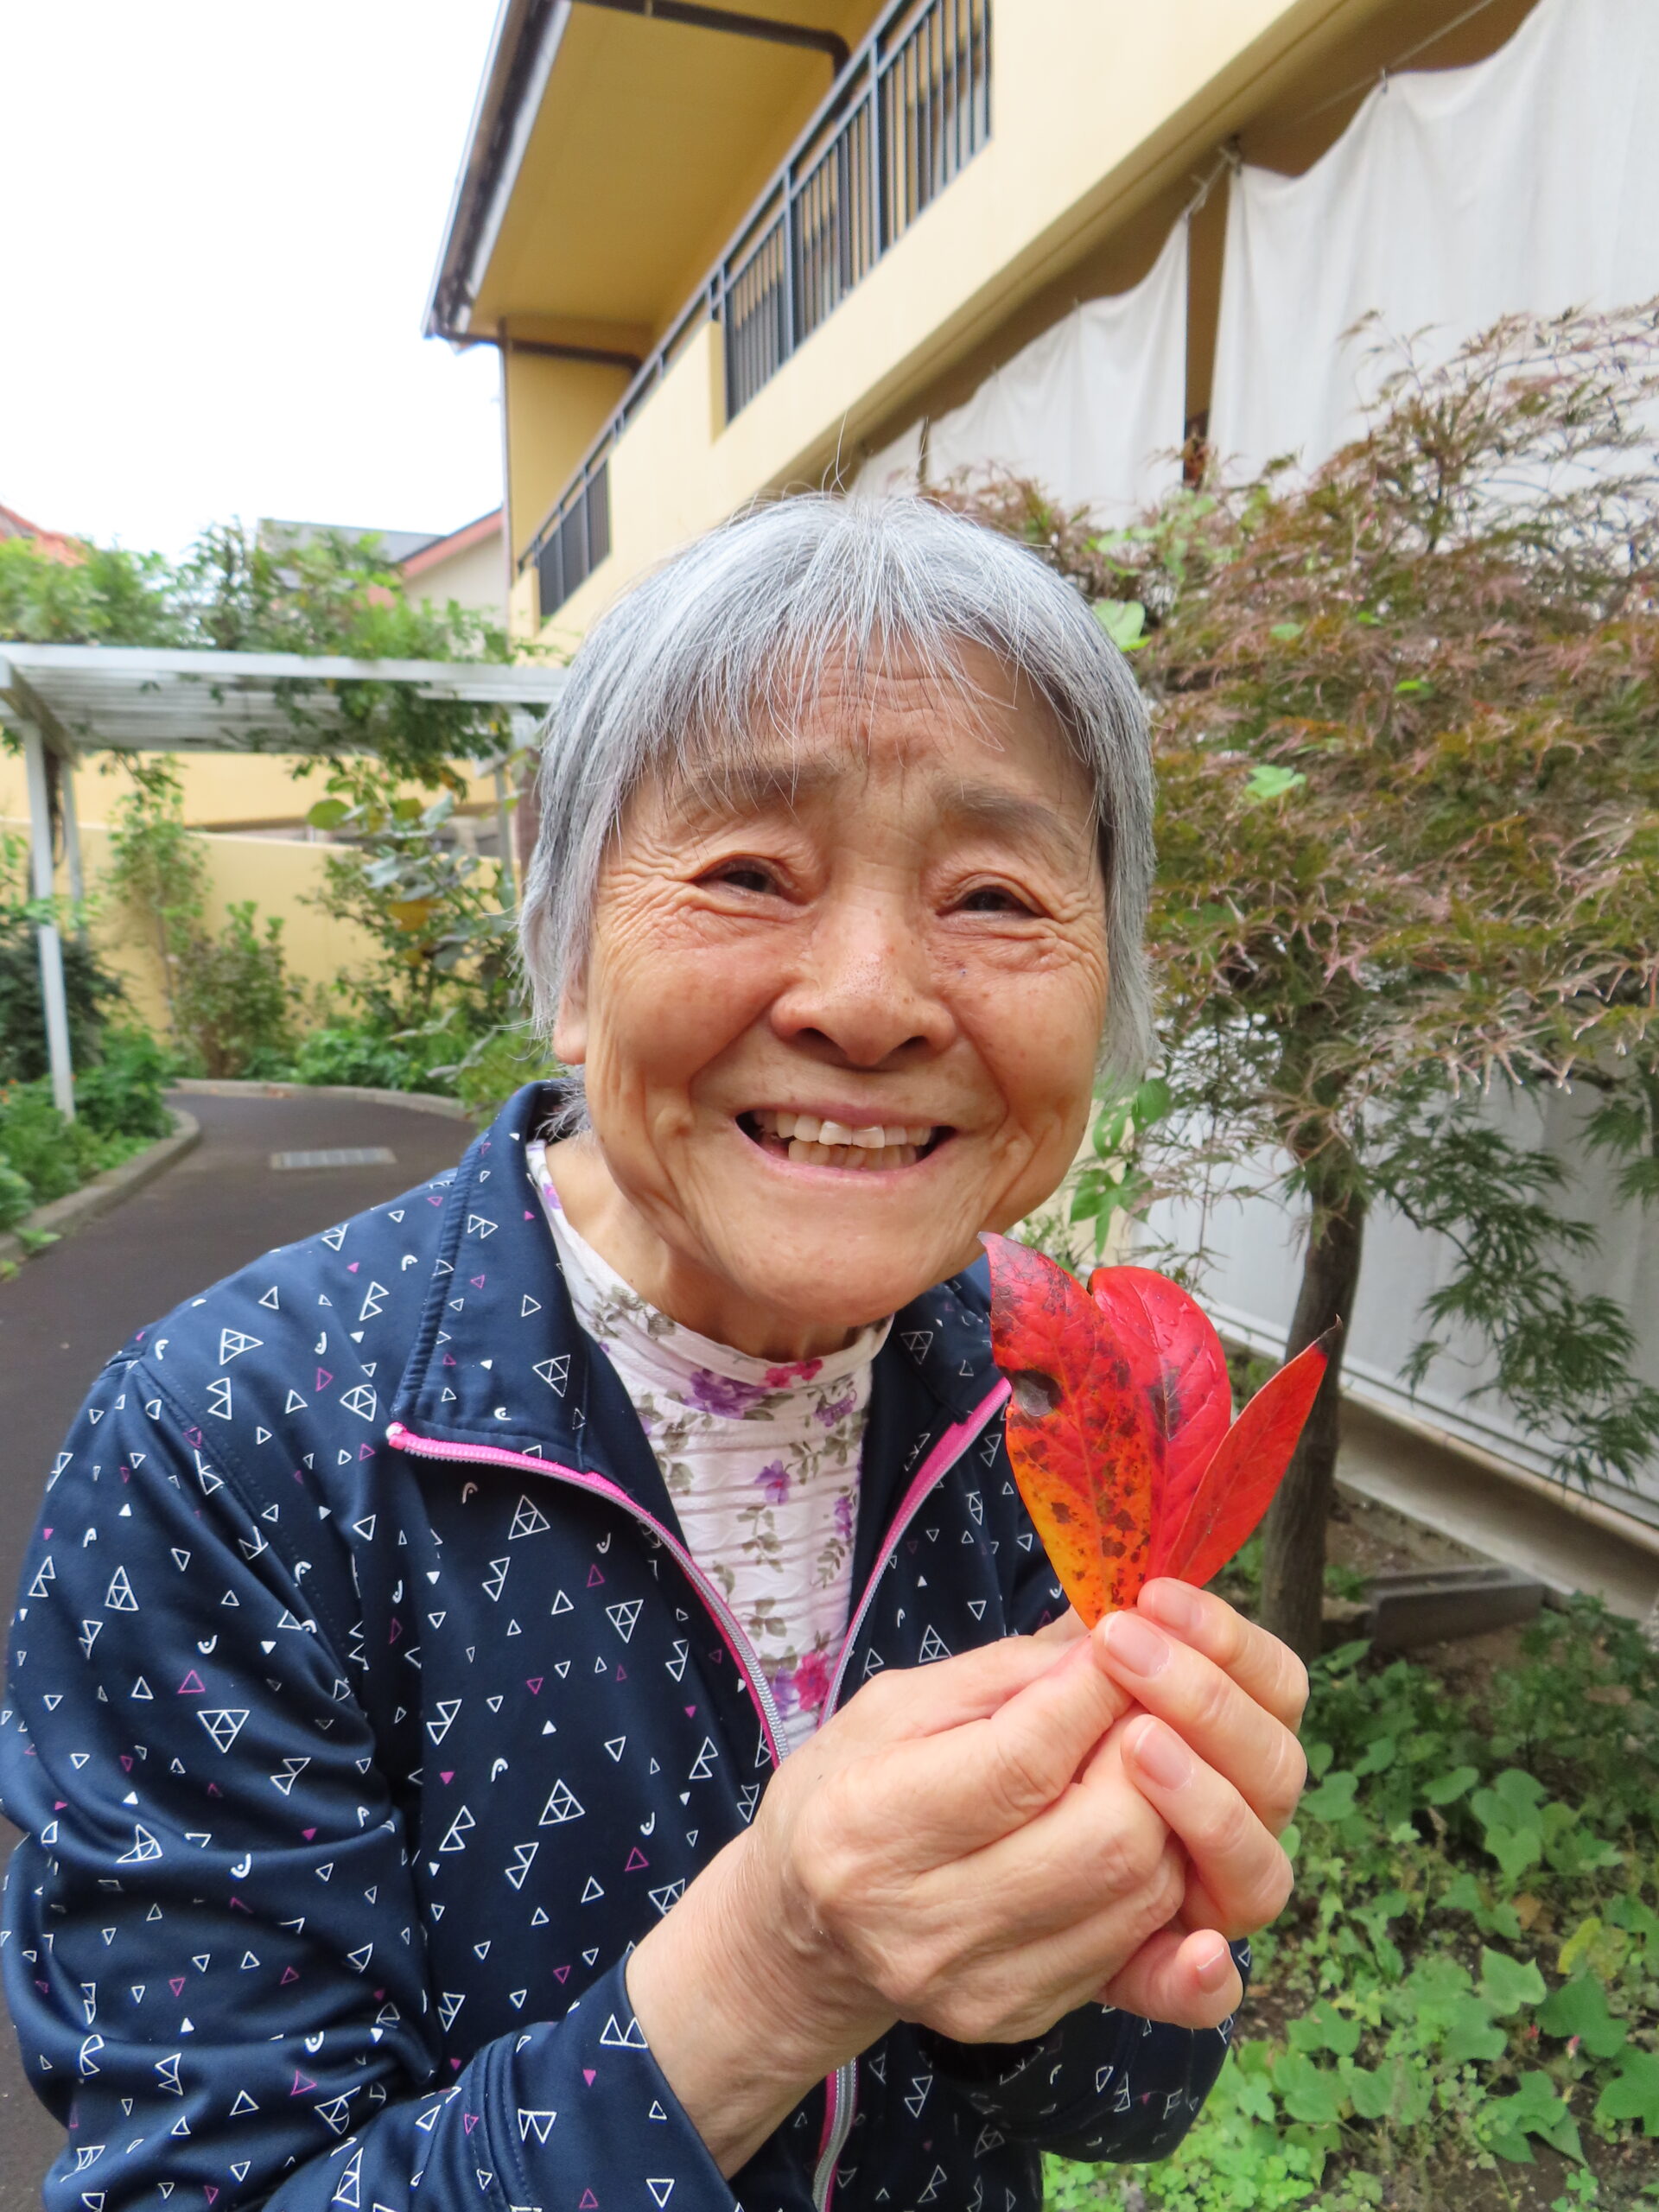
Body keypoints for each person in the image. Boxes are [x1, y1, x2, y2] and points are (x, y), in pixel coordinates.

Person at [0, 495, 1306, 2212]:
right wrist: (775, 1970)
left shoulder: (1050, 1402)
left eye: (994, 894)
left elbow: (1132, 2091)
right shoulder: (233, 1442)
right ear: (569, 949)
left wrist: (1107, 1929)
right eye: (750, 873)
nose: (869, 998)